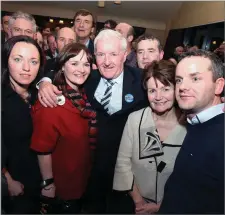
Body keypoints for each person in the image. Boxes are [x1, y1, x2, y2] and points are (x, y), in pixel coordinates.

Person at [37, 29, 148, 213]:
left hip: (126, 175)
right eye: (101, 54)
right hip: (88, 175)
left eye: (113, 54)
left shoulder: (141, 79)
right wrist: (44, 82)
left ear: (125, 55)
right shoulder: (86, 78)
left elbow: (167, 88)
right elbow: (61, 67)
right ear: (94, 56)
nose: (107, 61)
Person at [113, 60, 187, 214]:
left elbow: (193, 178)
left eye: (165, 89)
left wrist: (161, 207)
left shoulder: (190, 125)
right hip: (135, 205)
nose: (158, 97)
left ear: (176, 90)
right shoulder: (135, 119)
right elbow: (123, 164)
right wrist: (139, 202)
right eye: (152, 90)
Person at [30, 43, 97, 214]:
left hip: (80, 182)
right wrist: (48, 183)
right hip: (61, 190)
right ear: (62, 66)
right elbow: (42, 149)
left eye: (86, 64)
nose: (81, 69)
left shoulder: (84, 97)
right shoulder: (50, 102)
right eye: (74, 63)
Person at [159, 50, 224, 214]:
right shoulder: (196, 123)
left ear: (219, 85)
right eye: (179, 80)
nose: (183, 87)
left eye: (195, 78)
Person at [2, 35, 44, 214]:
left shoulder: (39, 96)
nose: (26, 68)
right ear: (6, 60)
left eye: (33, 61)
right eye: (18, 59)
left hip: (38, 182)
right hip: (14, 184)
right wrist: (7, 180)